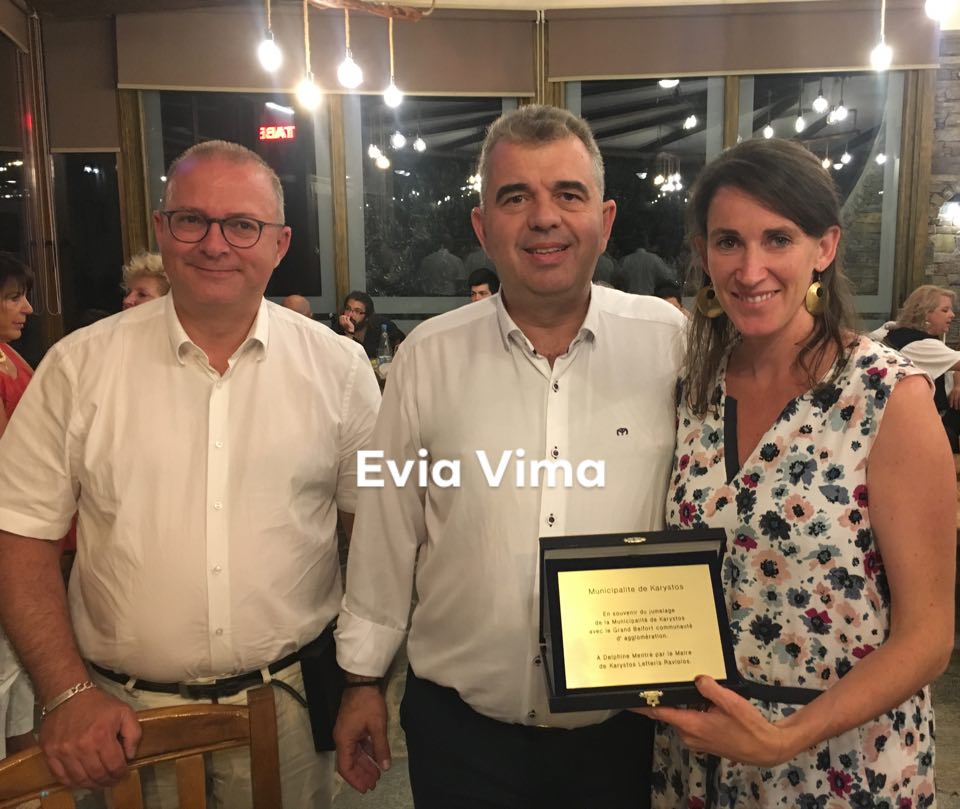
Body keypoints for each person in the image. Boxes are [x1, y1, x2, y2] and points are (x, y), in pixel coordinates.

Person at [0, 140, 381, 808]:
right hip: (116, 720)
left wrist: (365, 681)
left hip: (288, 711)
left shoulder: (342, 371)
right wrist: (65, 691)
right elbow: (19, 533)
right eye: (191, 220)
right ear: (160, 228)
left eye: (242, 225)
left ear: (280, 242)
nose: (214, 243)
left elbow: (376, 535)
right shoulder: (77, 367)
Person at [332, 105, 686, 809]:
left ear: (605, 220)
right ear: (482, 225)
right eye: (515, 197)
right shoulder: (427, 356)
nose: (543, 218)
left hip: (625, 735)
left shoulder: (670, 344)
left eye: (568, 194)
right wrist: (362, 678)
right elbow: (385, 527)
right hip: (461, 737)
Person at [643, 138, 954, 808]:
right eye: (728, 241)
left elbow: (928, 638)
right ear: (703, 253)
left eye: (777, 239)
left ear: (825, 247)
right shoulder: (695, 391)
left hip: (839, 763)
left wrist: (785, 737)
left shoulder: (887, 396)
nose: (750, 268)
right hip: (701, 757)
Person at [0, 252, 36, 760]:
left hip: (21, 531)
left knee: (20, 673)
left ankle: (29, 786)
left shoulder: (10, 356)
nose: (27, 308)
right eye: (13, 297)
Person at [870, 285, 960, 450]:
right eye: (945, 310)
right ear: (926, 313)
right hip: (914, 428)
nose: (952, 315)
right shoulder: (922, 345)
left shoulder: (892, 331)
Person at [333, 290, 404, 359]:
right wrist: (349, 333)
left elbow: (402, 343)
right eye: (348, 309)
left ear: (367, 317)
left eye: (357, 311)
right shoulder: (337, 329)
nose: (350, 314)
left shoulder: (381, 324)